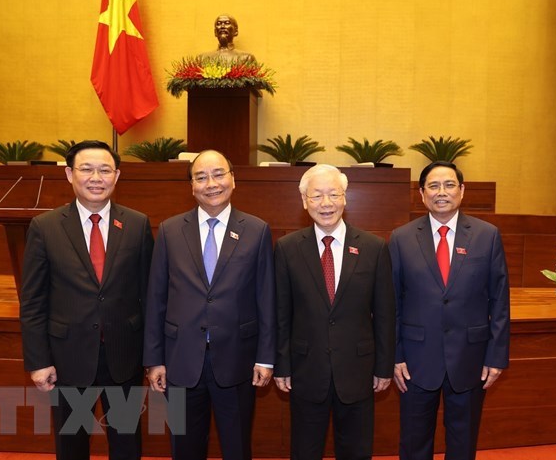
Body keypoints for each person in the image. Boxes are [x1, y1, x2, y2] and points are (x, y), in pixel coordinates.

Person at [20, 140, 154, 460]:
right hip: (70, 358)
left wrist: (153, 356)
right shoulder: (45, 227)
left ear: (117, 175)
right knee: (73, 445)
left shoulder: (137, 224)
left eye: (105, 170)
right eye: (87, 169)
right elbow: (33, 301)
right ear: (69, 174)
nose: (97, 177)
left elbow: (149, 294)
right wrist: (38, 361)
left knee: (126, 444)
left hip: (124, 357)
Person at [143, 149, 275, 460]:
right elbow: (156, 298)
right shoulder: (170, 230)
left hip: (238, 360)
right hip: (181, 361)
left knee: (237, 448)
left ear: (233, 179)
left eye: (218, 174)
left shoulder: (256, 230)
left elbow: (266, 297)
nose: (210, 183)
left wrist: (266, 358)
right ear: (191, 185)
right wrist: (154, 359)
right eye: (201, 177)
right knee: (185, 449)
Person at [389, 161, 510, 460]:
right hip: (415, 361)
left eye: (449, 185)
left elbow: (500, 300)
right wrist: (396, 355)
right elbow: (391, 303)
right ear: (421, 194)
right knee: (414, 443)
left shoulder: (487, 235)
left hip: (471, 359)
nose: (441, 192)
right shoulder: (401, 238)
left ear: (462, 190)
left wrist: (496, 356)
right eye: (433, 186)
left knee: (463, 443)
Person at [274, 164, 396, 460]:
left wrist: (383, 366)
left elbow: (384, 314)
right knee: (304, 450)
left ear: (345, 198)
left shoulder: (373, 247)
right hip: (306, 371)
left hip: (358, 371)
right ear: (304, 201)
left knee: (356, 451)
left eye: (333, 194)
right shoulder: (287, 248)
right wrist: (282, 364)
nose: (326, 204)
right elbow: (280, 313)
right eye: (316, 196)